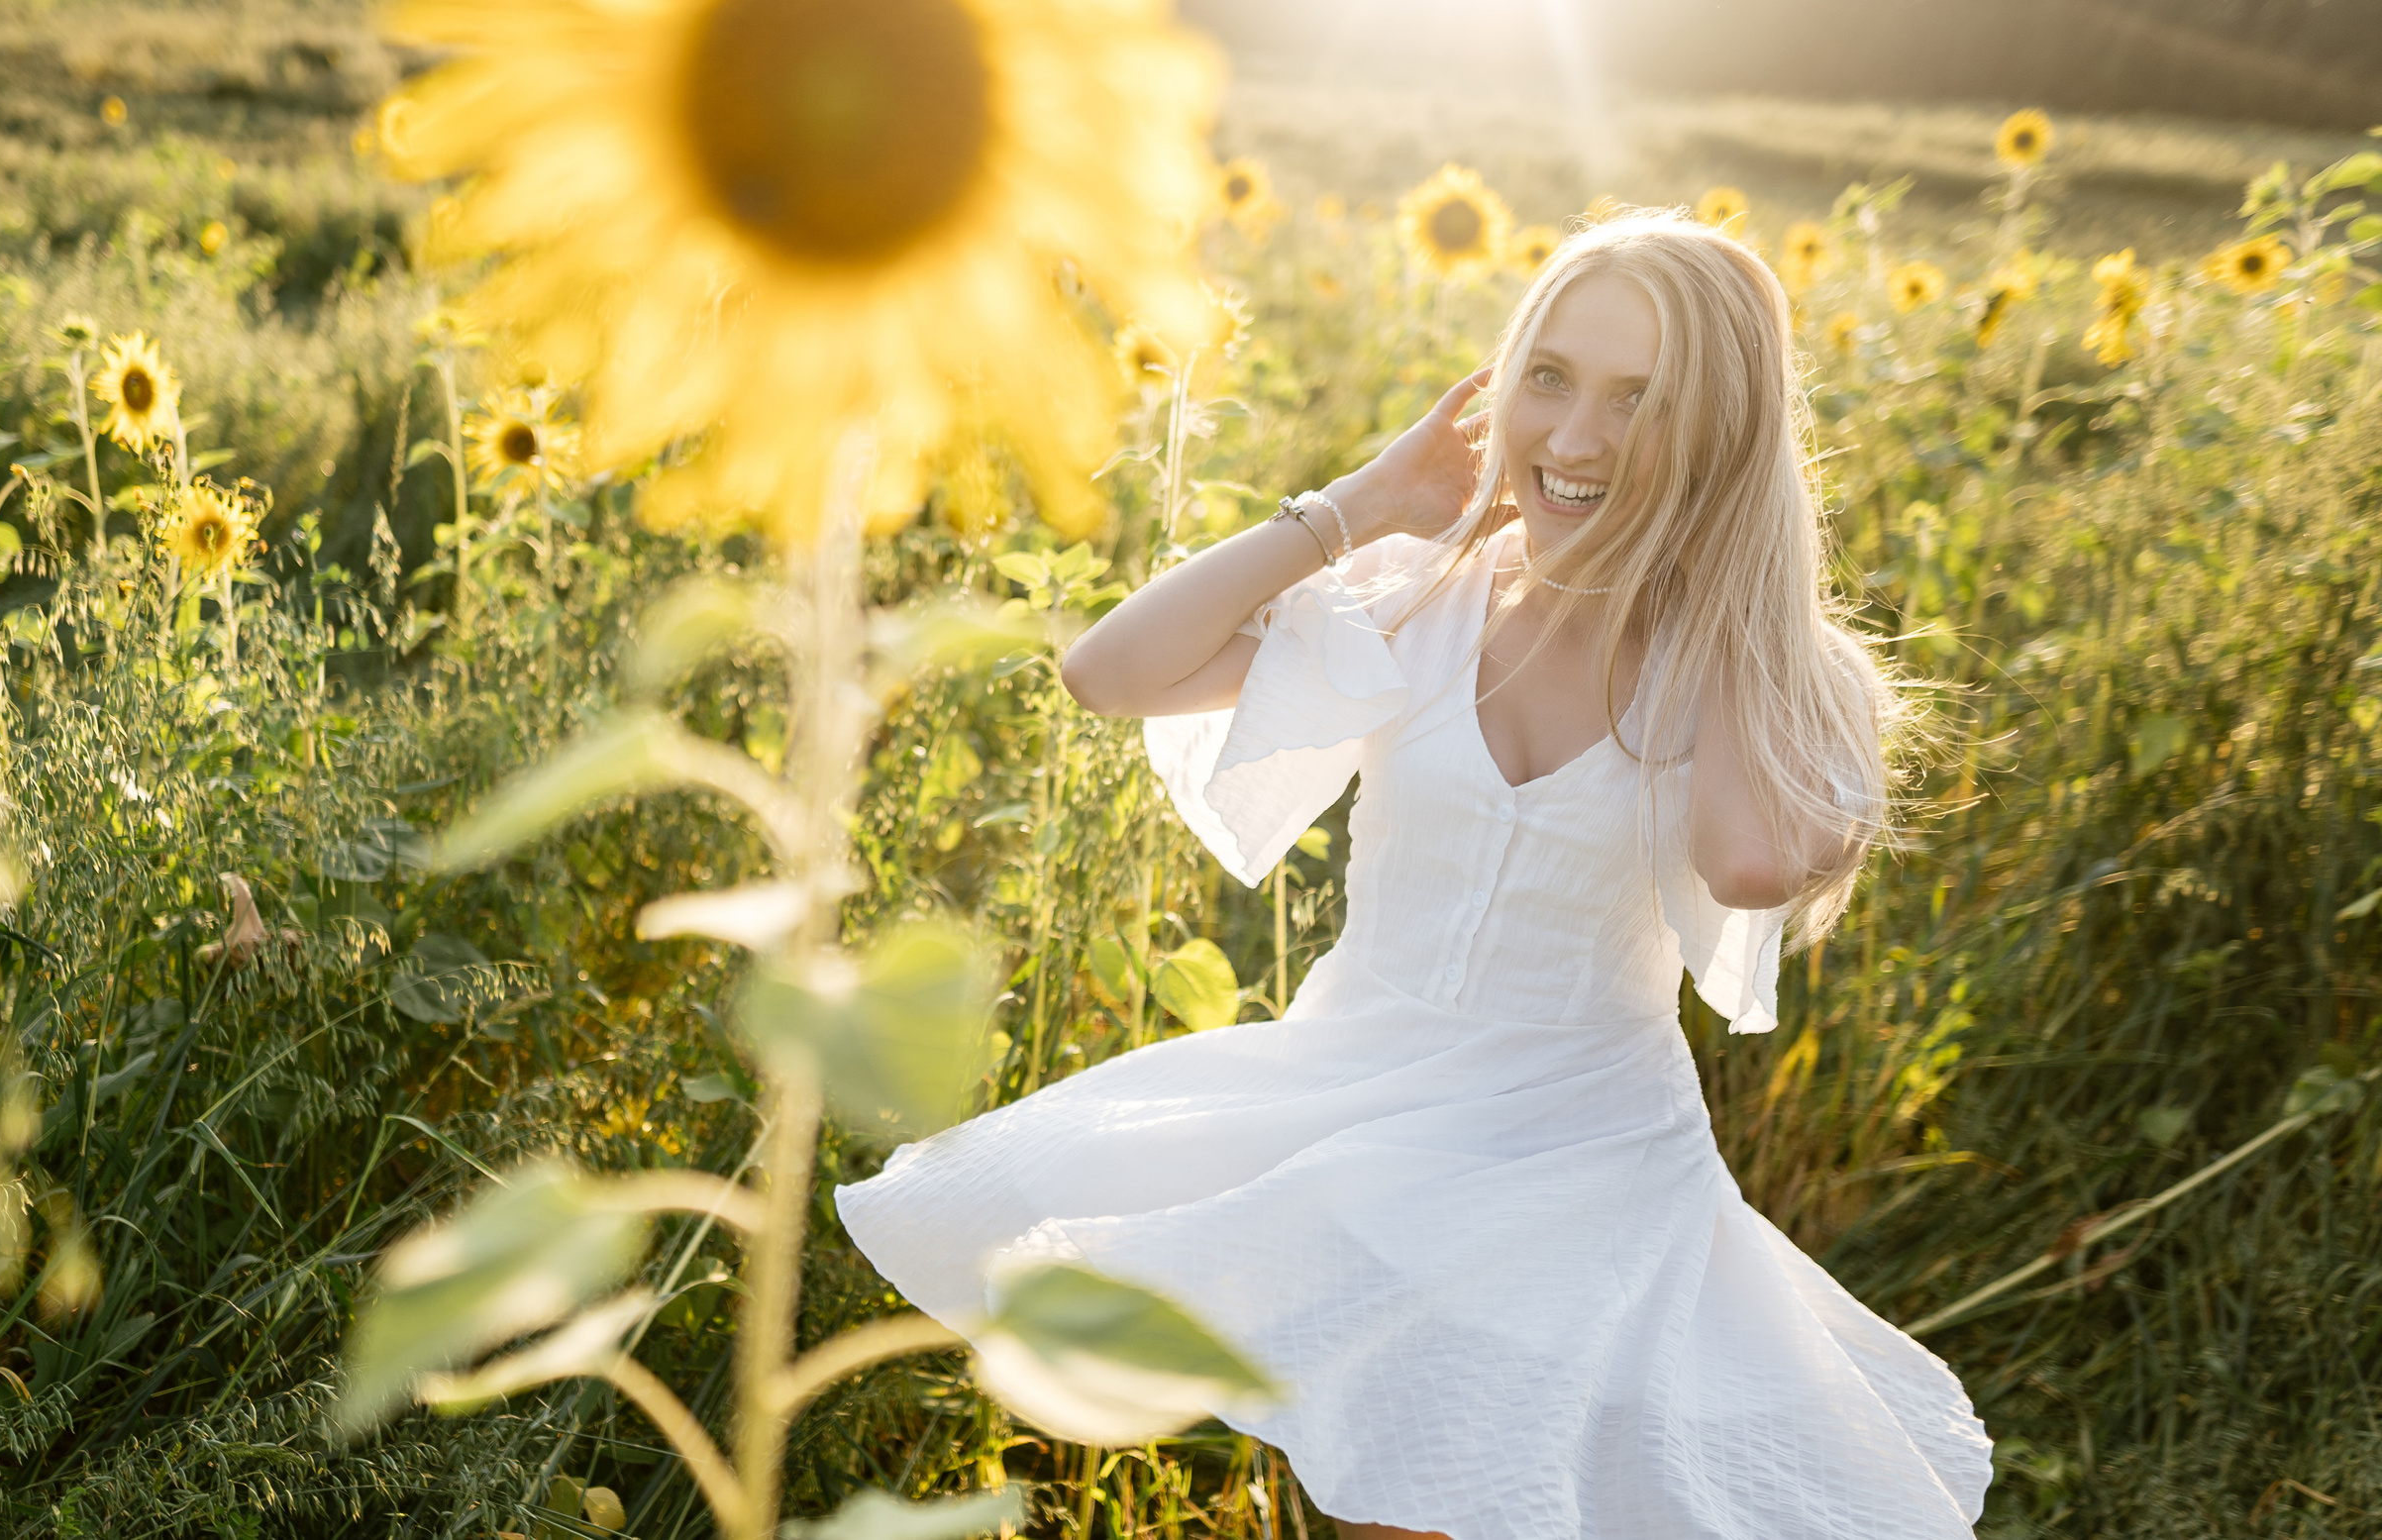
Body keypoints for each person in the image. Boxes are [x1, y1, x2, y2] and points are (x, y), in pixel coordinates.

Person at [837, 210, 1993, 1540]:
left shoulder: (1783, 677)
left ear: (1724, 440)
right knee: (1384, 1495)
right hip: (1360, 1101)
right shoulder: (1421, 593)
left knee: (1457, 1500)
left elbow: (1747, 862)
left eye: (1645, 403)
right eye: (1549, 378)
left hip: (1573, 1156)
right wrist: (1363, 506)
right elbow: (1111, 673)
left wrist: (1727, 582)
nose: (1573, 440)